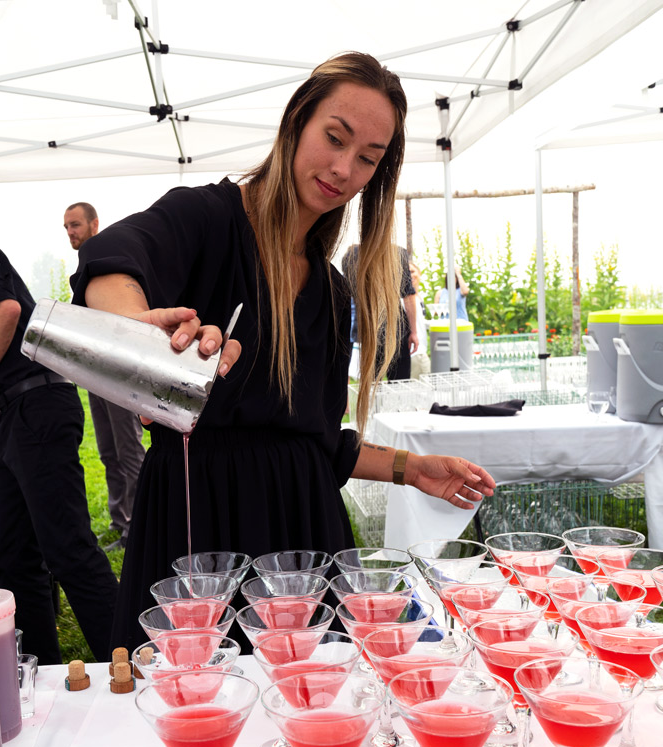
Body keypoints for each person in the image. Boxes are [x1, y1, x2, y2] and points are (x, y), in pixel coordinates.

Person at [71, 52, 495, 653]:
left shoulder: (330, 288)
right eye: (335, 137)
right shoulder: (207, 218)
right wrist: (139, 332)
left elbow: (318, 442)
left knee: (310, 716)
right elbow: (111, 259)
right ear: (296, 121)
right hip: (201, 523)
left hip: (303, 537)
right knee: (199, 715)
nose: (344, 168)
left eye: (368, 159)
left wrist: (412, 469)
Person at [0, 238, 118, 664]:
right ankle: (39, 673)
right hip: (10, 412)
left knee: (68, 549)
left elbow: (6, 311)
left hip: (33, 405)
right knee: (14, 559)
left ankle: (129, 665)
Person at [64, 202, 146, 551]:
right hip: (95, 374)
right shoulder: (84, 269)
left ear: (95, 224)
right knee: (108, 451)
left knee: (129, 450)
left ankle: (140, 527)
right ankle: (120, 521)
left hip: (120, 374)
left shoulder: (112, 264)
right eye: (66, 226)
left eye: (76, 224)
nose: (71, 231)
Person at [342, 243, 418, 380]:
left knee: (370, 385)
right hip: (395, 326)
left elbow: (347, 295)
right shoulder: (397, 253)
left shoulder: (353, 254)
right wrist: (414, 332)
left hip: (368, 326)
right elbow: (409, 296)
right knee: (399, 384)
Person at [409, 260, 430, 379]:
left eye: (412, 271)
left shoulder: (419, 297)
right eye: (407, 273)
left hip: (421, 351)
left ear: (419, 273)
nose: (410, 275)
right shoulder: (406, 299)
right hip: (416, 353)